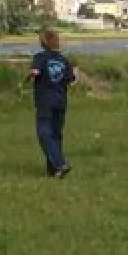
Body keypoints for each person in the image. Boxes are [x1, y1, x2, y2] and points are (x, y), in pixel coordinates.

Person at [29, 29, 78, 178]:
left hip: (45, 100)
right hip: (61, 101)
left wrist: (31, 75)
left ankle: (60, 163)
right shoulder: (64, 60)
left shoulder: (40, 57)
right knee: (56, 135)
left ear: (43, 43)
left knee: (44, 133)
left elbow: (35, 71)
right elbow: (72, 80)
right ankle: (53, 171)